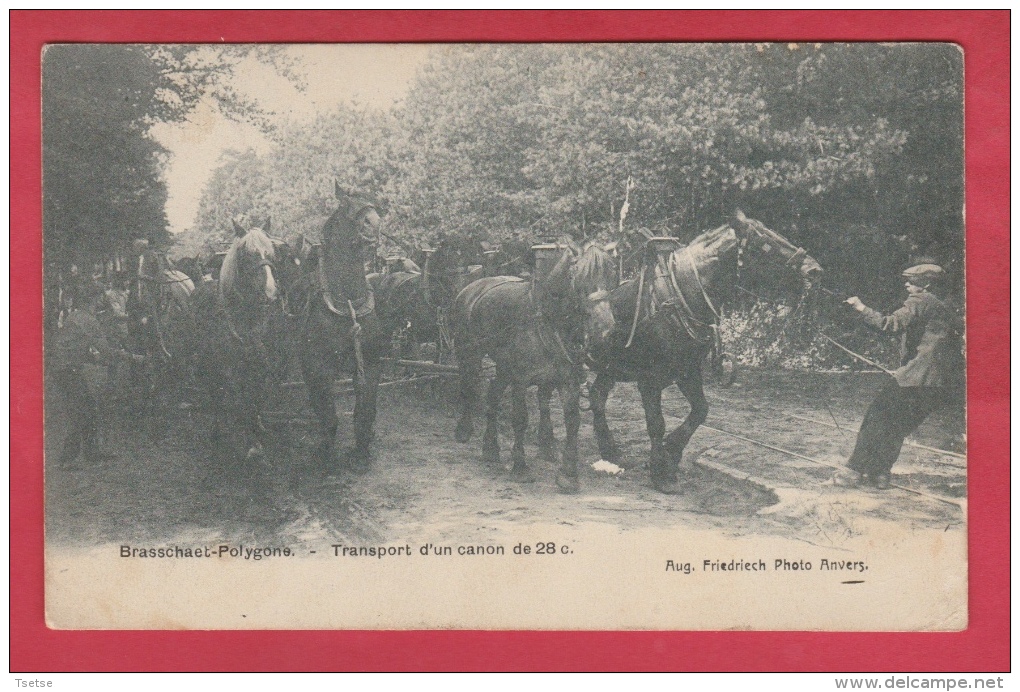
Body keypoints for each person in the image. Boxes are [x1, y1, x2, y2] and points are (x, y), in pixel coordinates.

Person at [836, 263, 964, 489]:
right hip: (938, 384)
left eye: (912, 281)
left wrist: (860, 307)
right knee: (896, 427)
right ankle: (880, 475)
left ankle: (852, 472)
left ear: (926, 284)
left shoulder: (921, 300)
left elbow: (890, 325)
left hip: (915, 379)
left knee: (876, 418)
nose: (906, 284)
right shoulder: (945, 306)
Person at [50, 282, 144, 466]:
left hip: (62, 369)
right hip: (67, 370)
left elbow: (77, 350)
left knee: (88, 408)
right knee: (82, 411)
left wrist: (98, 360)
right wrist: (132, 357)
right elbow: (106, 351)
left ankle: (91, 453)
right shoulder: (89, 321)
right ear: (96, 299)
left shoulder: (75, 316)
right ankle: (67, 459)